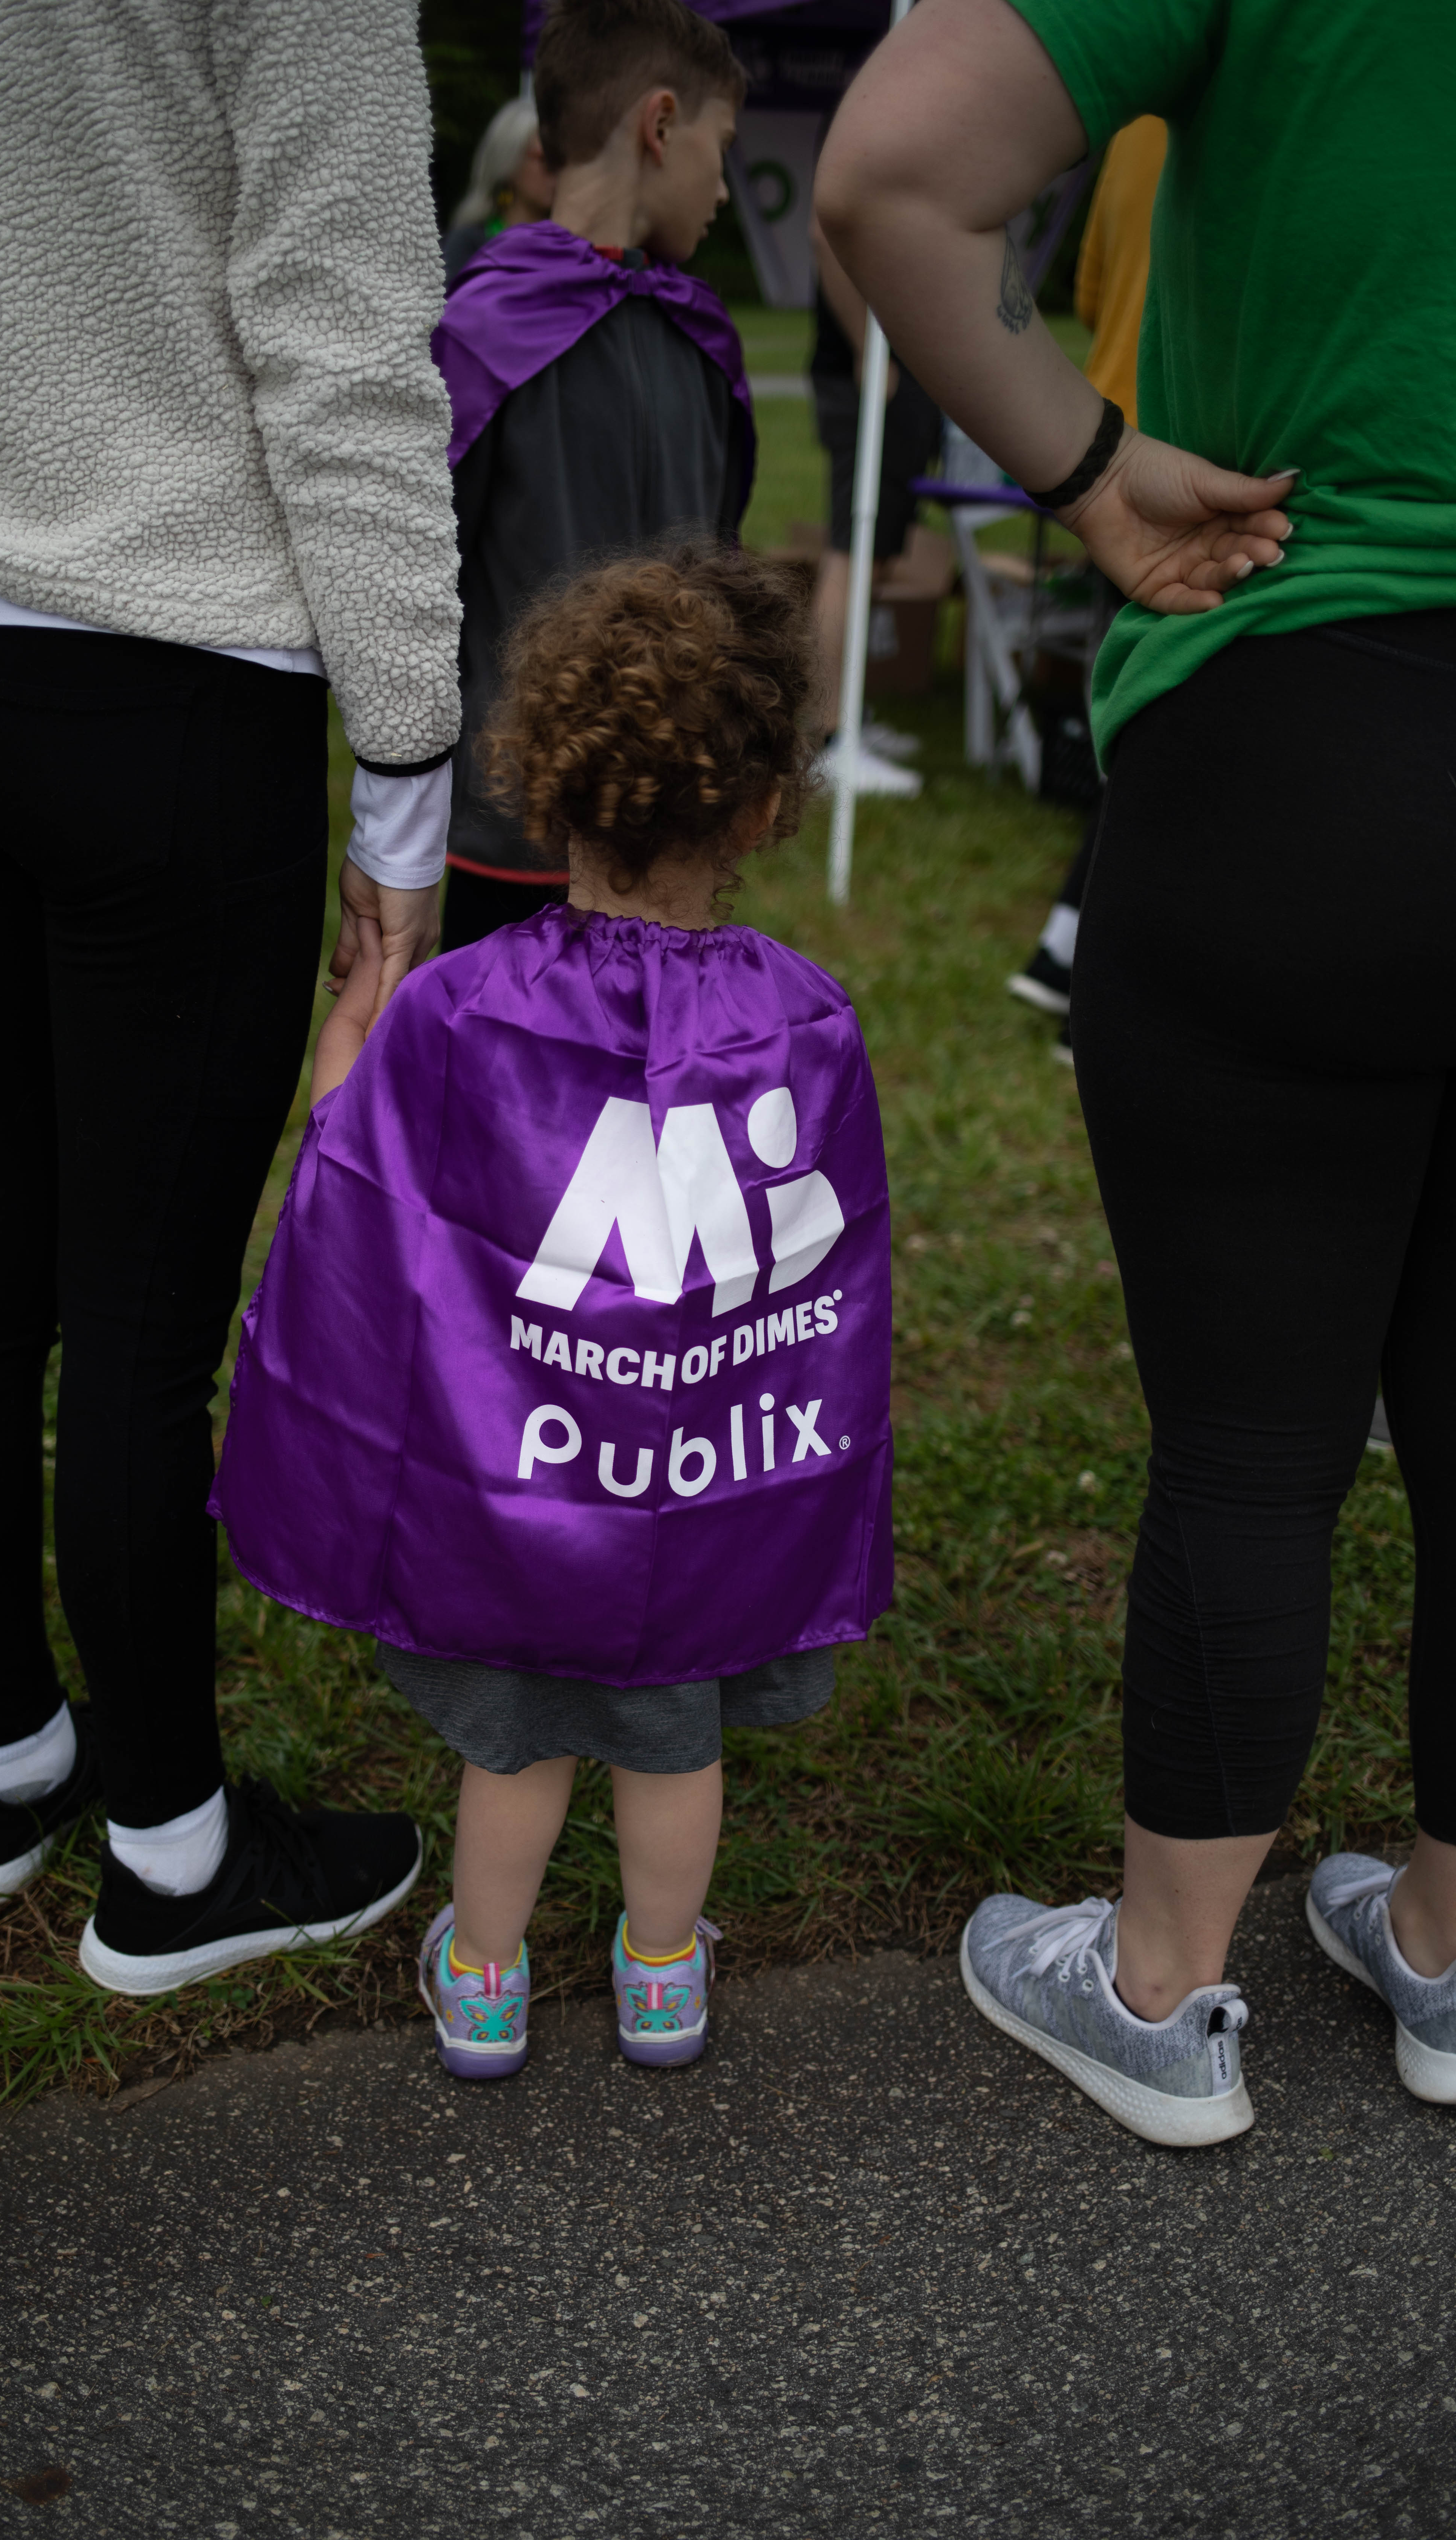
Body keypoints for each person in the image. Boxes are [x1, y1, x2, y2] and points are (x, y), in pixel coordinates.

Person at [820, 0, 1456, 2144]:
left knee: (1256, 1422)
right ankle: (1445, 1953)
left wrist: (1080, 467)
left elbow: (887, 175)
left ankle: (1165, 1987)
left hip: (1301, 714)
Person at [0, 0, 463, 1995]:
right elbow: (344, 331)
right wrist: (410, 763)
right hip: (167, 671)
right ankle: (174, 1858)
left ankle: (16, 1764)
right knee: (141, 1322)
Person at [210, 544, 894, 2080]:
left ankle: (487, 1975)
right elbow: (822, 1296)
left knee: (509, 1751)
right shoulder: (807, 1022)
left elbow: (358, 1186)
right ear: (765, 806)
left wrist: (341, 1040)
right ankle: (662, 1976)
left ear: (548, 789)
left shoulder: (457, 1008)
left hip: (513, 1503)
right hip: (704, 1500)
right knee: (674, 1742)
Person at [430, 0, 754, 955]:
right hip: (515, 839)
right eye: (722, 145)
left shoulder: (702, 341)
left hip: (675, 826)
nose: (727, 189)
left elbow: (722, 576)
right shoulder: (482, 337)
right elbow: (424, 595)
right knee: (500, 1090)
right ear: (660, 126)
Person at [1006, 117, 1165, 1042]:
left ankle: (1068, 945)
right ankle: (1087, 971)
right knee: (1163, 737)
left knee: (1131, 719)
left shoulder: (1138, 123)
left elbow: (1097, 290)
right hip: (1200, 456)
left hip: (1113, 441)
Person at [806, 215, 936, 801]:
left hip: (899, 366)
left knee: (876, 552)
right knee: (854, 550)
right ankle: (825, 739)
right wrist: (867, 344)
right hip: (875, 367)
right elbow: (827, 225)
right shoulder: (860, 120)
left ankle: (845, 720)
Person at [440, 98, 557, 285]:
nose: (557, 170)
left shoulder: (569, 246)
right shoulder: (470, 245)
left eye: (562, 160)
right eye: (547, 158)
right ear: (510, 160)